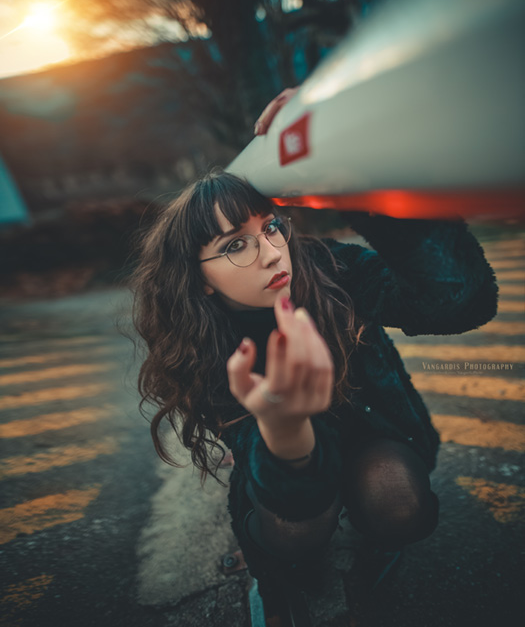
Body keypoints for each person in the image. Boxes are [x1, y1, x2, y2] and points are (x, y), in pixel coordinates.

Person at [130, 94, 499, 610]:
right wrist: (284, 431)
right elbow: (289, 494)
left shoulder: (326, 267)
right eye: (236, 245)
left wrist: (352, 170)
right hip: (284, 472)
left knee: (400, 505)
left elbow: (460, 299)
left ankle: (370, 555)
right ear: (200, 279)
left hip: (379, 433)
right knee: (297, 533)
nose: (272, 253)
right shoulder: (201, 344)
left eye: (270, 227)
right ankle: (284, 584)